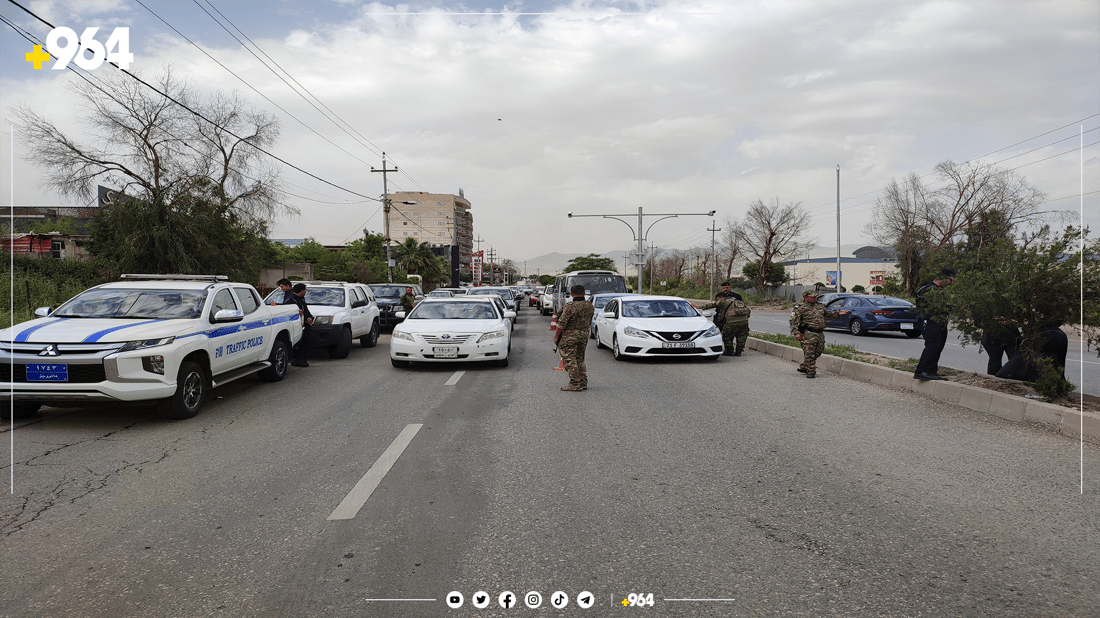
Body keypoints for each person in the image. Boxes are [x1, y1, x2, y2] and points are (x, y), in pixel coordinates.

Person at [913, 268, 956, 381]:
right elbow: (933, 308)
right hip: (930, 322)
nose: (951, 283)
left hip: (940, 323)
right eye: (951, 280)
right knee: (932, 346)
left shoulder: (939, 290)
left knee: (938, 347)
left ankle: (931, 371)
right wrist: (952, 308)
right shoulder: (927, 290)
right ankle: (921, 371)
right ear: (944, 278)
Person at [554, 284, 594, 391]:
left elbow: (561, 324)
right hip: (584, 334)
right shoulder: (589, 305)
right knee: (579, 358)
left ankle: (575, 383)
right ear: (584, 293)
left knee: (569, 359)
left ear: (572, 294)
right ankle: (583, 382)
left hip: (570, 336)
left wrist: (556, 337)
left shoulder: (570, 307)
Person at [790, 289, 828, 378]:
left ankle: (804, 366)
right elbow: (793, 322)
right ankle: (811, 371)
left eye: (816, 296)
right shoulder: (800, 308)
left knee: (819, 351)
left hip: (819, 333)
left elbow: (827, 313)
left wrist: (838, 313)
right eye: (813, 297)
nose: (815, 298)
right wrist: (796, 333)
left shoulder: (820, 306)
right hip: (808, 333)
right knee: (809, 353)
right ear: (806, 297)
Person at [285, 283, 314, 367]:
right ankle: (297, 360)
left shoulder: (301, 299)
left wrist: (310, 318)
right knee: (298, 344)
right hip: (297, 326)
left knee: (307, 343)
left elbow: (306, 310)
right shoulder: (291, 300)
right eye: (305, 290)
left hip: (305, 325)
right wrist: (305, 319)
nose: (306, 291)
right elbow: (292, 314)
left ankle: (302, 359)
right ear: (301, 291)